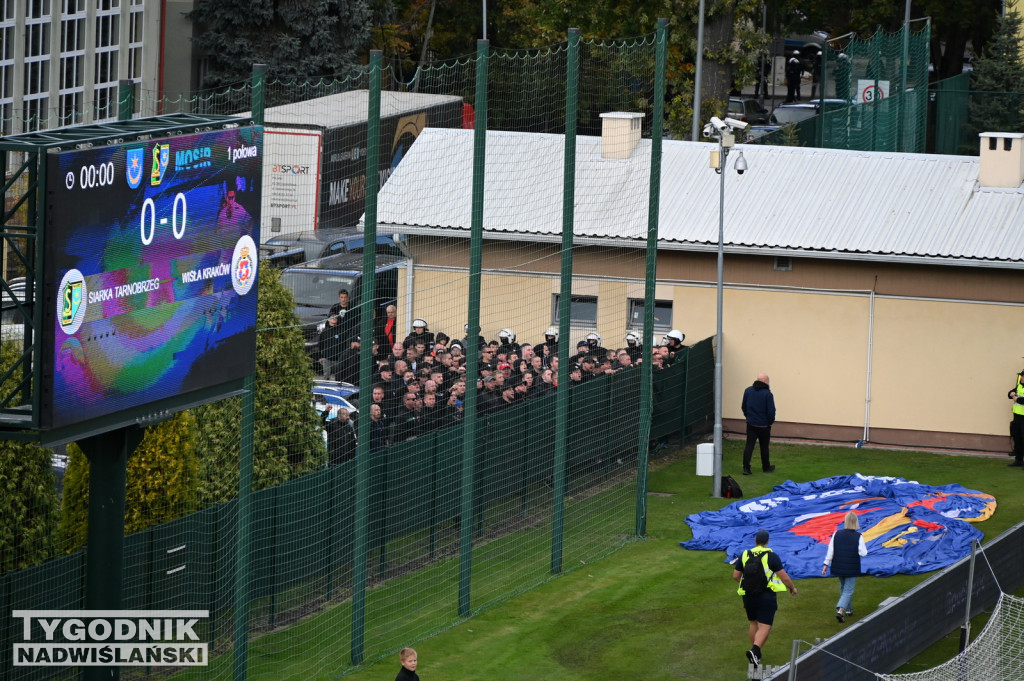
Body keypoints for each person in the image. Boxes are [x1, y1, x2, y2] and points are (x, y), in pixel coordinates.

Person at [732, 529, 798, 667]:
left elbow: (736, 576)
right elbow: (784, 577)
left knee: (753, 623)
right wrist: (792, 588)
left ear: (755, 540)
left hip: (748, 595)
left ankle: (756, 653)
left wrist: (748, 584)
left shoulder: (744, 554)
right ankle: (755, 651)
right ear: (767, 542)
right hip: (766, 595)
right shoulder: (771, 556)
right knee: (765, 626)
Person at [821, 511, 868, 623]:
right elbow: (863, 553)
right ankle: (841, 609)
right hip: (852, 567)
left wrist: (826, 564)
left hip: (838, 565)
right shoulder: (858, 536)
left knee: (843, 587)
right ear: (856, 522)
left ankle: (848, 609)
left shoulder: (837, 534)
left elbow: (830, 551)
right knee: (848, 590)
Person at [741, 373, 776, 475]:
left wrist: (748, 417)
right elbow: (771, 411)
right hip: (764, 425)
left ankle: (746, 468)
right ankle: (766, 467)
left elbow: (744, 406)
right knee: (764, 446)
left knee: (749, 446)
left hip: (751, 424)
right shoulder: (768, 394)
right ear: (765, 381)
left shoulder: (748, 391)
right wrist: (770, 422)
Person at [1008, 364, 1024, 466]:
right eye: (1021, 376)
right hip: (1017, 417)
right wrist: (1012, 394)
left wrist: (1017, 398)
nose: (1021, 378)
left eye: (1023, 376)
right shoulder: (1019, 386)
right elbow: (1010, 393)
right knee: (1017, 439)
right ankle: (1018, 460)